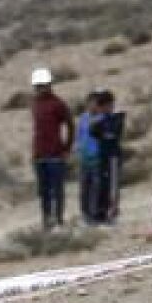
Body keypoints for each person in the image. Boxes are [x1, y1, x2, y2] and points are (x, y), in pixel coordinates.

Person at [29, 67, 74, 230]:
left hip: (55, 154)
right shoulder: (35, 104)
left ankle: (59, 219)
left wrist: (67, 148)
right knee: (43, 191)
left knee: (57, 189)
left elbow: (70, 125)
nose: (40, 89)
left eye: (43, 85)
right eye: (38, 86)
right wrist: (34, 152)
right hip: (39, 154)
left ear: (49, 85)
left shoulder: (58, 104)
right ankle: (46, 220)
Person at [88, 89, 124, 225]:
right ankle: (100, 213)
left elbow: (113, 133)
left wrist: (105, 131)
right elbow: (94, 132)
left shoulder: (116, 118)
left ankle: (112, 211)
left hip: (113, 156)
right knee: (101, 184)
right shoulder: (99, 120)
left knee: (113, 185)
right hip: (102, 155)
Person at [76, 90, 105, 228]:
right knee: (84, 189)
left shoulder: (103, 118)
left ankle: (95, 216)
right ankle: (85, 215)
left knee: (96, 189)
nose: (92, 105)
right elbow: (79, 136)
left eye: (95, 102)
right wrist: (78, 148)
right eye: (90, 102)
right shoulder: (83, 118)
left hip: (97, 159)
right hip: (84, 159)